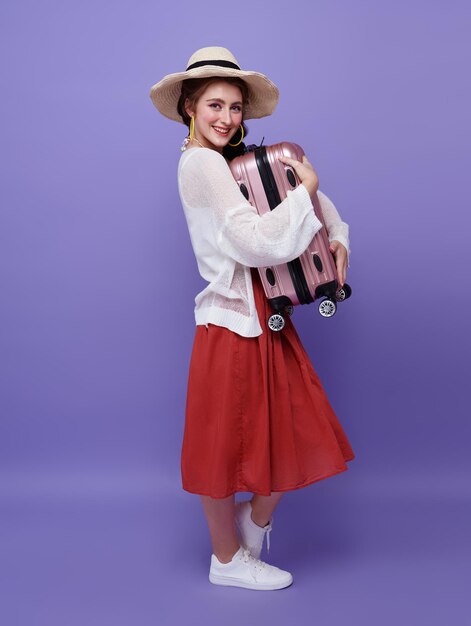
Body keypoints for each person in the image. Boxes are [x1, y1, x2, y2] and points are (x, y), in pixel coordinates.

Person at [149, 46, 355, 591]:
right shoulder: (199, 164)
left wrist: (336, 234)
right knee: (224, 445)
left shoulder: (234, 161)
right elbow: (255, 240)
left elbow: (307, 194)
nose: (226, 118)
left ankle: (252, 523)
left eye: (236, 107)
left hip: (267, 313)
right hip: (231, 318)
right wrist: (305, 192)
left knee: (287, 426)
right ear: (189, 107)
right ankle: (226, 560)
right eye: (214, 105)